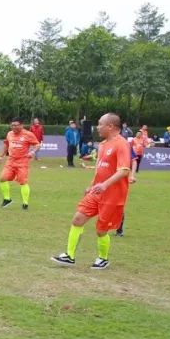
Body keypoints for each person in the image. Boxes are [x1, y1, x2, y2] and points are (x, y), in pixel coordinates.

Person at [52, 113, 131, 269]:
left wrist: (105, 185)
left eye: (100, 124)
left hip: (113, 195)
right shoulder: (103, 145)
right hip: (97, 192)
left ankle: (103, 258)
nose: (97, 127)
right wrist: (91, 186)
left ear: (110, 126)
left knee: (101, 230)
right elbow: (100, 170)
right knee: (77, 219)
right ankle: (69, 256)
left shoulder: (121, 144)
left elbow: (124, 170)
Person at [0, 117, 39, 209]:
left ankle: (25, 204)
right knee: (2, 178)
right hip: (10, 161)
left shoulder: (28, 134)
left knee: (23, 182)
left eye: (16, 125)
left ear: (21, 125)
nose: (14, 127)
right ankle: (7, 199)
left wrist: (32, 152)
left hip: (22, 162)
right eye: (12, 125)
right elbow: (6, 144)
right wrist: (1, 156)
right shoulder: (9, 134)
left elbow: (37, 144)